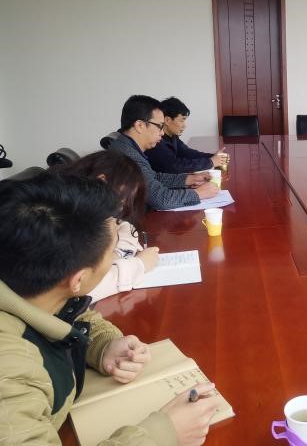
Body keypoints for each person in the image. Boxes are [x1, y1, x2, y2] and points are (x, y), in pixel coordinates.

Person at [0, 173, 218, 445]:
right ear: (78, 280)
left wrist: (103, 345)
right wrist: (164, 434)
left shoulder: (33, 289)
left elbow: (68, 313)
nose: (116, 257)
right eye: (113, 252)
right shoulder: (10, 373)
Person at [56, 150, 160, 302]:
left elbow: (124, 226)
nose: (121, 208)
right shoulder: (60, 219)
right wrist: (138, 265)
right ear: (102, 182)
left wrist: (116, 256)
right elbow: (76, 292)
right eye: (122, 199)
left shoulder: (81, 202)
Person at [109, 95, 219, 210]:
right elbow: (161, 199)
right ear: (140, 126)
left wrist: (188, 179)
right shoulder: (128, 157)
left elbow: (154, 177)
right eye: (160, 126)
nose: (162, 133)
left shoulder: (128, 146)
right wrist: (198, 194)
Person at [146, 97, 228, 173]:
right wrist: (211, 162)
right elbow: (174, 166)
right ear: (167, 120)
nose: (184, 125)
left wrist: (213, 157)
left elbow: (188, 153)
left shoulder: (172, 136)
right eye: (182, 120)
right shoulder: (156, 141)